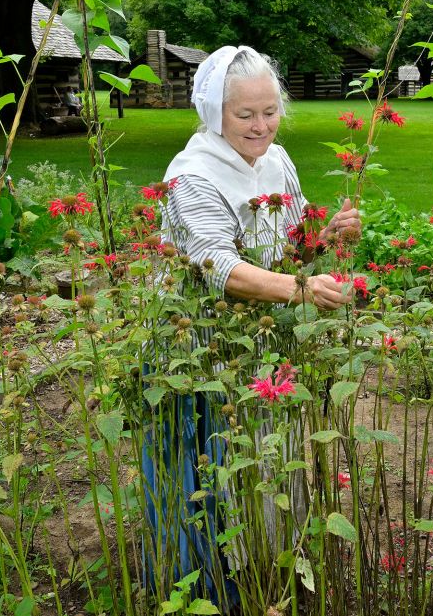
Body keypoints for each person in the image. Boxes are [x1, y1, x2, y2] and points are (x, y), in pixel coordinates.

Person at [142, 45, 360, 604]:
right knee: (212, 465)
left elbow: (292, 242)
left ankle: (270, 570)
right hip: (201, 348)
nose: (261, 126)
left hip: (260, 341)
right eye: (245, 115)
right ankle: (206, 589)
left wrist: (328, 235)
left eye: (270, 111)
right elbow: (216, 265)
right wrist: (300, 290)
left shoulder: (277, 160)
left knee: (265, 456)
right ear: (214, 112)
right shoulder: (192, 175)